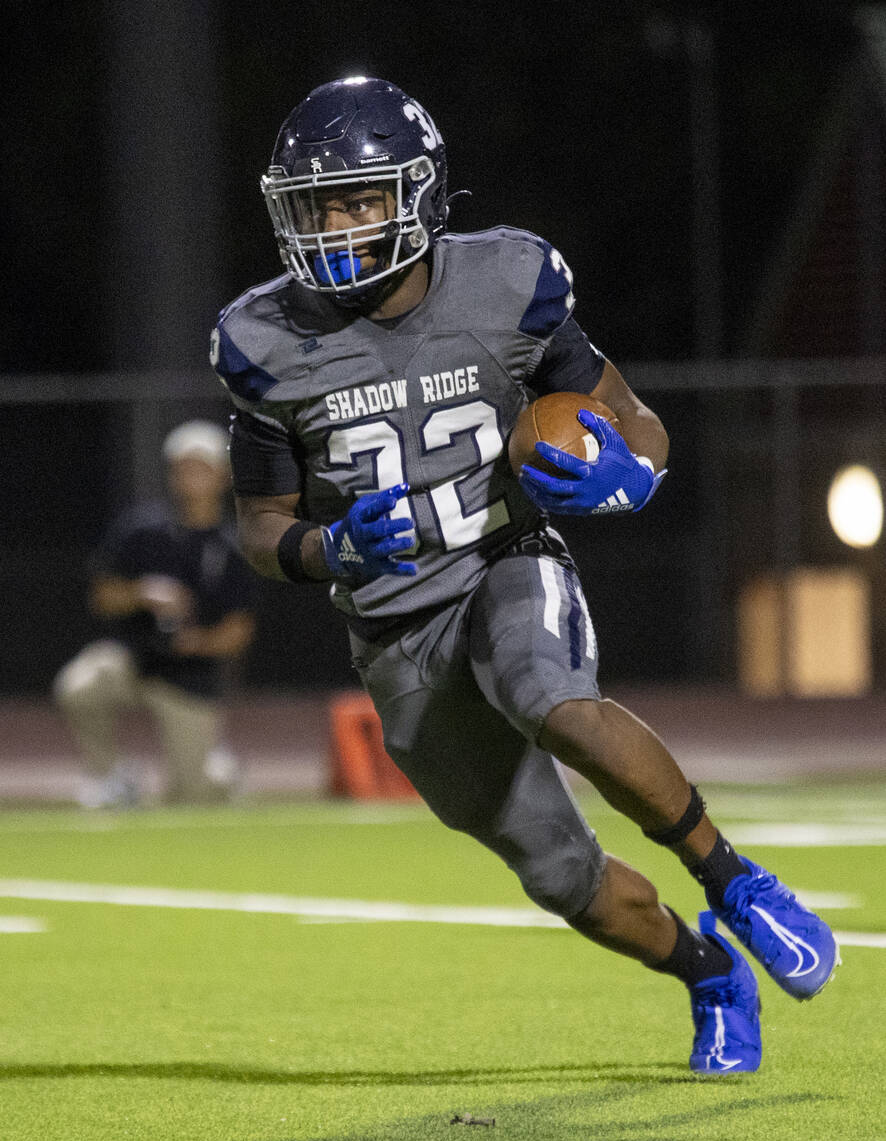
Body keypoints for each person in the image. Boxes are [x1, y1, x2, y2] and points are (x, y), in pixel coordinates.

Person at [212, 76, 838, 1073]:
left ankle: (735, 881)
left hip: (504, 557)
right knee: (556, 871)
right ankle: (708, 974)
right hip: (394, 634)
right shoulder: (261, 341)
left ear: (418, 194)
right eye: (317, 207)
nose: (334, 227)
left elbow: (635, 420)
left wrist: (634, 472)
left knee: (550, 696)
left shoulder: (506, 281)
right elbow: (259, 525)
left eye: (360, 200)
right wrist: (327, 550)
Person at [54, 420, 258, 807]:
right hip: (136, 659)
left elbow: (239, 629)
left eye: (202, 467)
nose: (190, 477)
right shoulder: (141, 530)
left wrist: (197, 642)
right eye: (182, 467)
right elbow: (102, 597)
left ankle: (216, 772)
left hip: (191, 677)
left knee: (190, 796)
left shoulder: (232, 546)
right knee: (80, 685)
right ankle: (111, 775)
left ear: (222, 476)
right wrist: (141, 592)